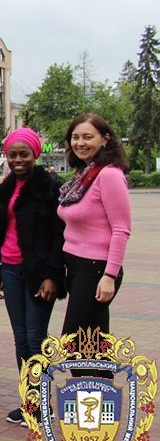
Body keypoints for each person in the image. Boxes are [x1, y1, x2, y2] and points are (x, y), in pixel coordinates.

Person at [0, 128, 65, 425]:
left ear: (35, 155)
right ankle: (30, 402)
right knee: (21, 340)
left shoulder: (50, 188)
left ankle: (43, 405)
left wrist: (53, 276)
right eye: (13, 155)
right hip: (9, 269)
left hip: (38, 273)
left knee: (35, 339)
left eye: (24, 154)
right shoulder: (4, 189)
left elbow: (60, 235)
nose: (18, 160)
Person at [57, 114, 131, 361]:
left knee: (73, 344)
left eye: (88, 137)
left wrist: (110, 276)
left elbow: (121, 229)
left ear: (105, 139)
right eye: (75, 137)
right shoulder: (83, 175)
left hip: (96, 270)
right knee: (94, 345)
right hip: (77, 267)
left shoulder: (109, 175)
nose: (80, 143)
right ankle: (96, 387)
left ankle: (86, 387)